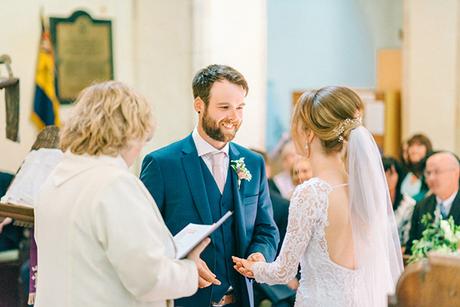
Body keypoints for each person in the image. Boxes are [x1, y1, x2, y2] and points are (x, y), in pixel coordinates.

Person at [34, 81, 206, 307]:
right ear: (130, 132)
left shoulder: (55, 180)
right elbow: (148, 277)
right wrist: (190, 271)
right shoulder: (113, 184)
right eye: (143, 139)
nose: (139, 149)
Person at [233, 86, 403, 307]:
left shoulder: (311, 193)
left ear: (309, 134)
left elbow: (284, 271)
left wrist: (253, 268)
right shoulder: (362, 189)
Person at [140, 64, 279, 307]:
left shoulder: (253, 163)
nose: (234, 117)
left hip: (241, 300)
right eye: (224, 107)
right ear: (199, 105)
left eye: (240, 108)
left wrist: (260, 254)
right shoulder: (162, 164)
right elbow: (144, 238)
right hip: (185, 301)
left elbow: (266, 228)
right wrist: (182, 264)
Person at [405, 151, 460, 254]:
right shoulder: (421, 207)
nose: (431, 178)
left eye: (437, 172)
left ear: (456, 173)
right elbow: (411, 248)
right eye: (428, 173)